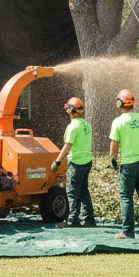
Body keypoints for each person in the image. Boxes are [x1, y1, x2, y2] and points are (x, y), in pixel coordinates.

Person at [108, 88, 139, 239]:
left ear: (119, 104)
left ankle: (128, 232)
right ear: (133, 103)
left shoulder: (118, 122)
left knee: (126, 197)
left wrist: (113, 159)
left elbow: (114, 143)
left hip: (128, 165)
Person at [50, 96, 95, 227]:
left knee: (72, 192)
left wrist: (57, 161)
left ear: (70, 111)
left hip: (77, 163)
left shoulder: (73, 126)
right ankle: (89, 219)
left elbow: (67, 146)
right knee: (83, 190)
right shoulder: (86, 125)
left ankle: (72, 219)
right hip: (87, 161)